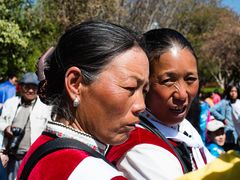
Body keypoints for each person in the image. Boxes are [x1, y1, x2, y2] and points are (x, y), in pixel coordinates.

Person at [17, 20, 149, 179]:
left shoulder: (40, 150)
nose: (141, 106)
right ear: (75, 84)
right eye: (130, 88)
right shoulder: (95, 174)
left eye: (145, 91)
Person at [106, 28, 214, 180]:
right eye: (168, 80)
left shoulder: (184, 129)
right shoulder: (139, 147)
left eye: (190, 79)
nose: (182, 94)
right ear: (144, 83)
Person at [0, 72, 52, 180]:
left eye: (34, 87)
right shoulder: (10, 103)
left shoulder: (45, 109)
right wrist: (6, 128)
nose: (30, 90)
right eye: (27, 87)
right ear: (20, 87)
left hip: (32, 158)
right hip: (10, 157)